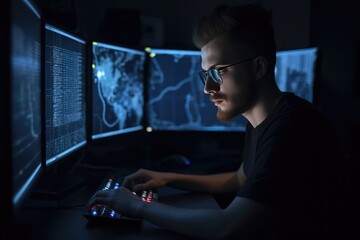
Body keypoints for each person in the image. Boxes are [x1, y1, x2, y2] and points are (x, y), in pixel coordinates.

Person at [88, 3, 342, 239]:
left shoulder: (291, 129)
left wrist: (137, 207)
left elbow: (227, 226)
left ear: (258, 68)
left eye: (218, 72)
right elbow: (240, 179)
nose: (207, 88)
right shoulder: (265, 118)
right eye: (206, 74)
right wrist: (167, 178)